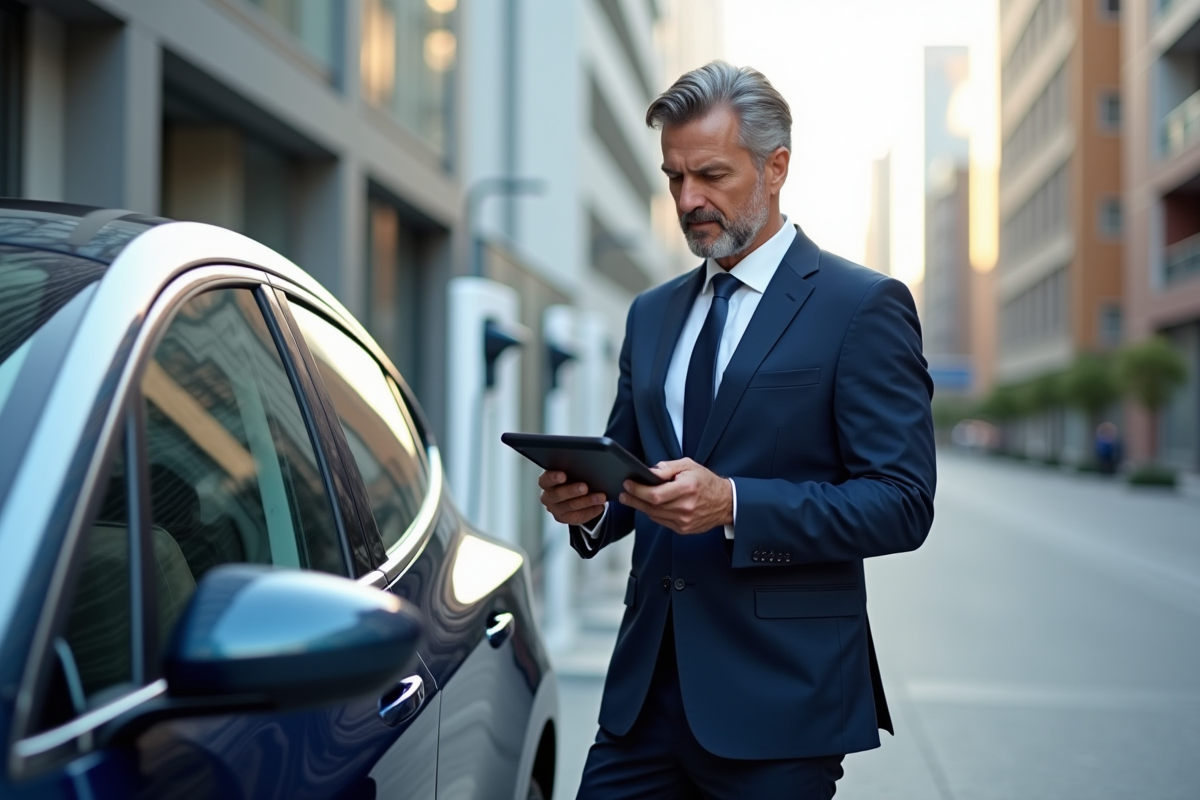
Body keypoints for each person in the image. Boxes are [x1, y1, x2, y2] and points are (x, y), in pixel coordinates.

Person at [538, 62, 936, 799]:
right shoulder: (651, 314)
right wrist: (591, 509)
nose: (689, 201)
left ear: (776, 166)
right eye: (674, 178)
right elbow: (629, 476)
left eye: (711, 175)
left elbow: (903, 500)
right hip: (642, 701)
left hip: (780, 701)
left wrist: (736, 505)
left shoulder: (861, 306)